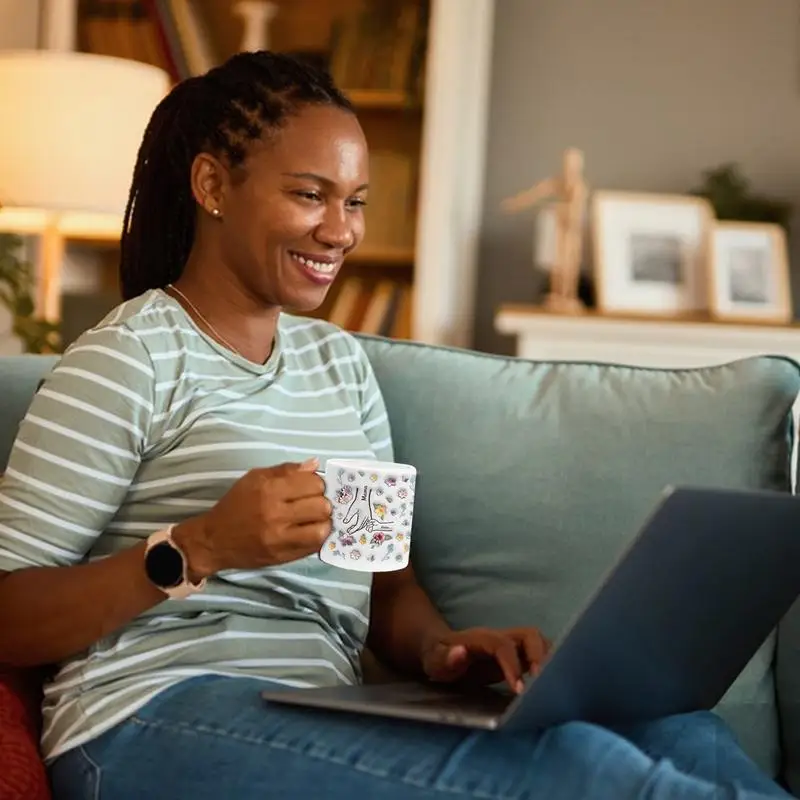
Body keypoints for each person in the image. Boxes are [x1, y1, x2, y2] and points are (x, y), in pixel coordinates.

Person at [0, 51, 790, 800]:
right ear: (212, 183)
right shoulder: (129, 357)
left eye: (354, 202)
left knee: (681, 733)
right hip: (145, 721)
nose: (340, 231)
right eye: (310, 195)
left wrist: (445, 651)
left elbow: (386, 589)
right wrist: (198, 546)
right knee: (581, 772)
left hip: (309, 712)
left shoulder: (338, 364)